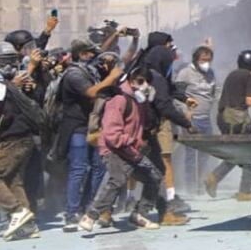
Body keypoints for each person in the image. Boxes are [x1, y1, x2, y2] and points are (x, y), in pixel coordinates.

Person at [78, 67, 163, 231]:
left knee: (154, 177)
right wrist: (132, 141)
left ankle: (140, 214)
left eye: (148, 82)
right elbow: (111, 133)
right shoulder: (119, 99)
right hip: (114, 149)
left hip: (131, 150)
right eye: (140, 81)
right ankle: (91, 215)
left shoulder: (139, 101)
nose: (144, 86)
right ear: (131, 81)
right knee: (117, 180)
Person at [54, 39, 123, 231]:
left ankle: (91, 209)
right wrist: (112, 77)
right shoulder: (74, 74)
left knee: (98, 168)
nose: (94, 57)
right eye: (91, 53)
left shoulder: (90, 71)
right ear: (82, 54)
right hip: (77, 127)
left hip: (93, 126)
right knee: (78, 169)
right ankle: (71, 213)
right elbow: (92, 92)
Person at [0, 43, 43, 241]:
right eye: (3, 61)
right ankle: (28, 225)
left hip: (13, 139)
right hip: (19, 138)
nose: (8, 65)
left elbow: (5, 109)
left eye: (11, 61)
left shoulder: (10, 84)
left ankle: (17, 211)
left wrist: (22, 86)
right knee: (13, 179)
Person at [205, 49, 251, 201]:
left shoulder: (234, 74)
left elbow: (239, 95)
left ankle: (215, 177)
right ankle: (244, 191)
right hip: (238, 119)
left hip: (224, 117)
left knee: (237, 153)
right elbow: (249, 101)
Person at [141, 32, 194, 224]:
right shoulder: (155, 77)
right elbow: (164, 105)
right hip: (152, 125)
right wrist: (186, 123)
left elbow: (169, 90)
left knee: (134, 168)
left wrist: (184, 98)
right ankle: (165, 208)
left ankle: (145, 208)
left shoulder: (144, 70)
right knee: (161, 165)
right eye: (168, 46)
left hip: (142, 126)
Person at [174, 45, 218, 194]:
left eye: (209, 60)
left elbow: (215, 92)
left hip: (206, 119)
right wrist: (185, 112)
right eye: (203, 60)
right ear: (196, 60)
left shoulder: (210, 73)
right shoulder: (185, 73)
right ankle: (191, 187)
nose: (206, 63)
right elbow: (177, 95)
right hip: (192, 119)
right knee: (191, 155)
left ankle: (201, 183)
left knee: (205, 154)